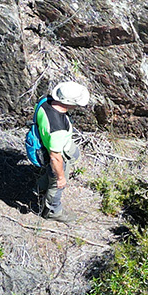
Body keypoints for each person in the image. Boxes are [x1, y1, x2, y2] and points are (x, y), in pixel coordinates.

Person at [34, 81, 91, 222]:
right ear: (68, 103)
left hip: (47, 143)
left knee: (70, 156)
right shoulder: (58, 128)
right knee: (57, 185)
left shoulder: (44, 102)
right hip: (55, 153)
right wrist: (60, 178)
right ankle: (52, 211)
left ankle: (40, 186)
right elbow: (55, 157)